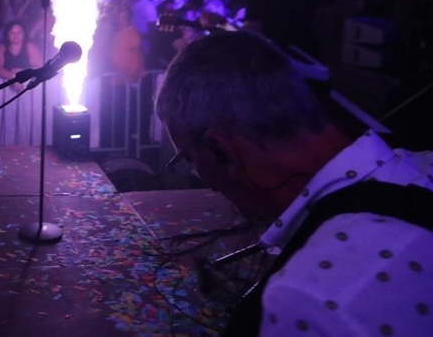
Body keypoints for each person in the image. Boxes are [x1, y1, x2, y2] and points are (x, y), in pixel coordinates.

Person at [155, 31, 433, 337]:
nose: (208, 185)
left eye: (190, 160)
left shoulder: (305, 300)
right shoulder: (423, 164)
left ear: (220, 150)